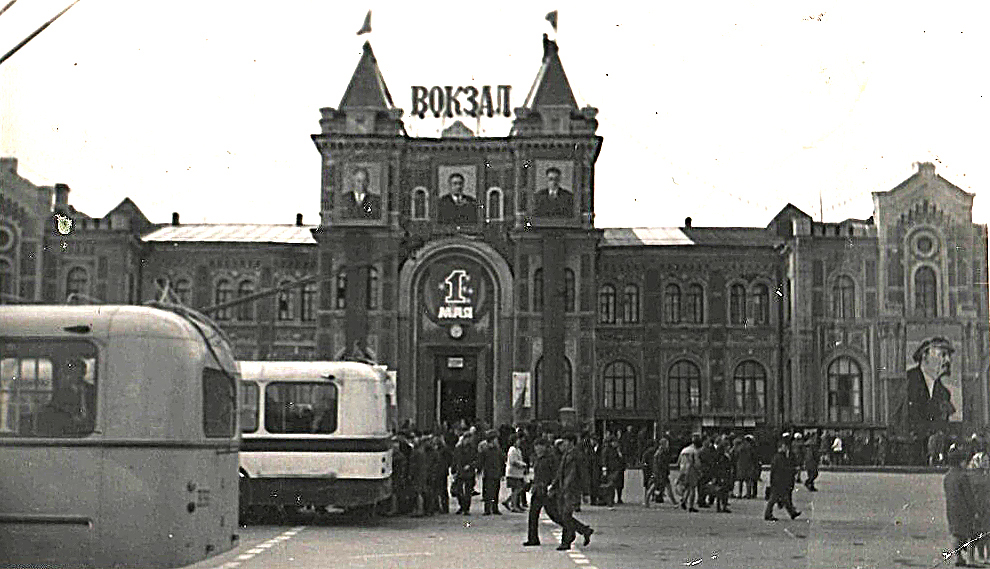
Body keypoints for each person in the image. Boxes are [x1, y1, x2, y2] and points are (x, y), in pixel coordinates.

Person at [901, 336, 956, 437]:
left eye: (948, 356)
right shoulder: (906, 381)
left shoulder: (944, 393)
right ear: (924, 355)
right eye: (942, 355)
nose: (947, 360)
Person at [551, 435, 594, 551]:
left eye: (564, 442)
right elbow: (560, 473)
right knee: (565, 515)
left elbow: (583, 474)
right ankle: (584, 530)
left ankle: (567, 540)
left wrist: (586, 492)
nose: (562, 445)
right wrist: (554, 486)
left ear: (571, 442)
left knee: (565, 515)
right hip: (564, 489)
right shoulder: (566, 454)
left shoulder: (577, 455)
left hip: (572, 490)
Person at [31, 358, 91, 437]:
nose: (77, 375)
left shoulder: (92, 390)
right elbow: (55, 410)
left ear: (84, 373)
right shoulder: (62, 392)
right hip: (69, 430)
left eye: (80, 372)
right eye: (74, 372)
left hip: (90, 428)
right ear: (70, 373)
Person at [524, 437, 563, 546]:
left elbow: (555, 474)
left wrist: (552, 487)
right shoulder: (538, 458)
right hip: (538, 489)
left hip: (546, 490)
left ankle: (580, 529)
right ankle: (533, 539)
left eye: (539, 446)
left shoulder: (550, 459)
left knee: (555, 515)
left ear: (545, 447)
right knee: (533, 515)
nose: (537, 449)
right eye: (536, 447)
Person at [945, 447, 980, 567]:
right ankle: (970, 559)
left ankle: (958, 557)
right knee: (970, 534)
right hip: (964, 510)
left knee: (955, 533)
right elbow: (969, 496)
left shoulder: (947, 476)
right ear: (960, 462)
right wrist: (974, 510)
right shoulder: (963, 476)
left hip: (951, 509)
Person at [764, 439, 801, 521]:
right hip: (779, 481)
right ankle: (767, 514)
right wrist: (794, 470)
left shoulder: (778, 457)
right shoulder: (780, 457)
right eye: (784, 447)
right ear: (780, 447)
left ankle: (792, 513)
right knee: (774, 499)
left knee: (784, 498)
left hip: (778, 480)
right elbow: (783, 469)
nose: (786, 448)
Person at [478, 429, 505, 515]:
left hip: (496, 473)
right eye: (495, 439)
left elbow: (502, 461)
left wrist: (502, 472)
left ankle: (495, 508)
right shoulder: (486, 450)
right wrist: (479, 470)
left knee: (496, 491)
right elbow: (481, 461)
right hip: (488, 473)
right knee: (488, 492)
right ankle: (487, 509)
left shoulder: (498, 450)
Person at [451, 432, 478, 515]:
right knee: (458, 490)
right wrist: (453, 470)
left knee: (468, 491)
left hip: (469, 472)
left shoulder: (472, 448)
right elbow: (455, 460)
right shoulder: (458, 448)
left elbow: (476, 460)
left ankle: (466, 508)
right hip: (460, 472)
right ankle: (462, 506)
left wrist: (470, 466)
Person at [678, 435, 702, 512]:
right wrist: (699, 471)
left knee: (687, 487)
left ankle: (684, 501)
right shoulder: (694, 451)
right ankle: (691, 506)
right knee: (692, 489)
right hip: (691, 470)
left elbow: (678, 461)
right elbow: (696, 464)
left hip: (683, 470)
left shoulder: (684, 450)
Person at [504, 434, 527, 512]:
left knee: (519, 489)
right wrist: (522, 464)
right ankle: (513, 505)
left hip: (518, 473)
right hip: (513, 473)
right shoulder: (512, 450)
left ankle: (510, 502)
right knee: (517, 489)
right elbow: (513, 461)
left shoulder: (518, 450)